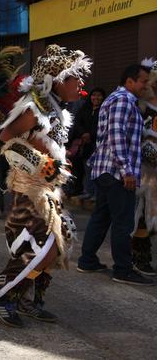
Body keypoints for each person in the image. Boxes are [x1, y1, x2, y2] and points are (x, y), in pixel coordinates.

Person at [0, 45, 91, 327]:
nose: (81, 83)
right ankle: (0, 291)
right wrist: (41, 162)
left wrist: (58, 161)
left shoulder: (54, 108)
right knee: (41, 249)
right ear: (56, 78)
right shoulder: (33, 108)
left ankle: (23, 297)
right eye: (75, 77)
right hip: (30, 191)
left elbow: (46, 144)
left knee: (55, 246)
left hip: (48, 190)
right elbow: (6, 137)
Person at [77, 64, 153, 286]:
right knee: (123, 222)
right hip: (116, 172)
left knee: (102, 217)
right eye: (143, 81)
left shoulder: (119, 99)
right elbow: (116, 135)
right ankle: (123, 269)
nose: (145, 85)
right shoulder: (123, 100)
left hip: (107, 170)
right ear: (130, 81)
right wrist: (127, 170)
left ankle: (87, 260)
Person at [132, 60, 157, 275]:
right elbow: (141, 138)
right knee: (144, 215)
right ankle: (140, 257)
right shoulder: (143, 105)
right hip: (147, 171)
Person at [66, 88, 105, 198]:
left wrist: (90, 134)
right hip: (82, 143)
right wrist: (83, 133)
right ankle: (82, 190)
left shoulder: (104, 110)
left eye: (99, 95)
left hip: (96, 144)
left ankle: (93, 193)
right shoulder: (85, 108)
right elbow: (77, 122)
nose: (96, 98)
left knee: (93, 169)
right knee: (80, 168)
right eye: (94, 95)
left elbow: (103, 126)